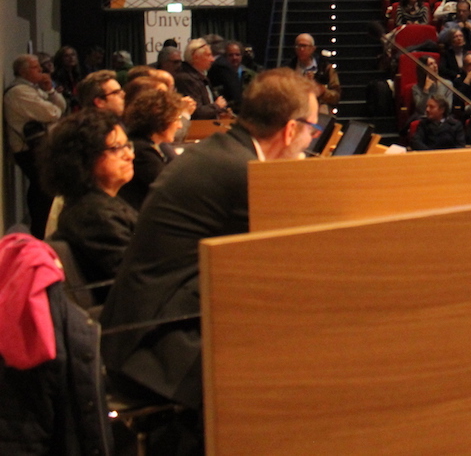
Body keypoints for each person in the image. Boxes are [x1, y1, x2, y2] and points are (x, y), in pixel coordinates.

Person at [101, 69, 318, 411]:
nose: (310, 140)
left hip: (142, 326)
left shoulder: (223, 151)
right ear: (290, 130)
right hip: (157, 346)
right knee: (299, 372)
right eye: (312, 129)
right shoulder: (242, 173)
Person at [40, 109, 137, 302]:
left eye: (128, 145)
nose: (129, 155)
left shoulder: (99, 203)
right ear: (83, 159)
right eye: (116, 148)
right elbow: (137, 281)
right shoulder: (94, 216)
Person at [119, 87, 183, 211]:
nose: (180, 126)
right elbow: (170, 189)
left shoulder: (144, 144)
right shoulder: (142, 152)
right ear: (161, 120)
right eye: (177, 119)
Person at [172, 38, 230, 119]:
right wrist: (216, 106)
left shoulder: (200, 75)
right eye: (208, 55)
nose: (212, 59)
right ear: (196, 57)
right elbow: (195, 112)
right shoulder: (186, 79)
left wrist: (220, 111)